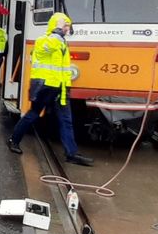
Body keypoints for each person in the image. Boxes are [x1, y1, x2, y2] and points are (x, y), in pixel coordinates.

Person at [6, 12, 93, 166]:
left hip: (60, 87)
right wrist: (57, 31)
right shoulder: (45, 41)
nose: (67, 28)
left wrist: (66, 87)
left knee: (66, 120)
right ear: (56, 26)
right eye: (65, 25)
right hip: (44, 87)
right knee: (33, 115)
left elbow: (62, 68)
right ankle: (14, 140)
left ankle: (71, 153)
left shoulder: (61, 42)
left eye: (67, 26)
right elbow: (45, 50)